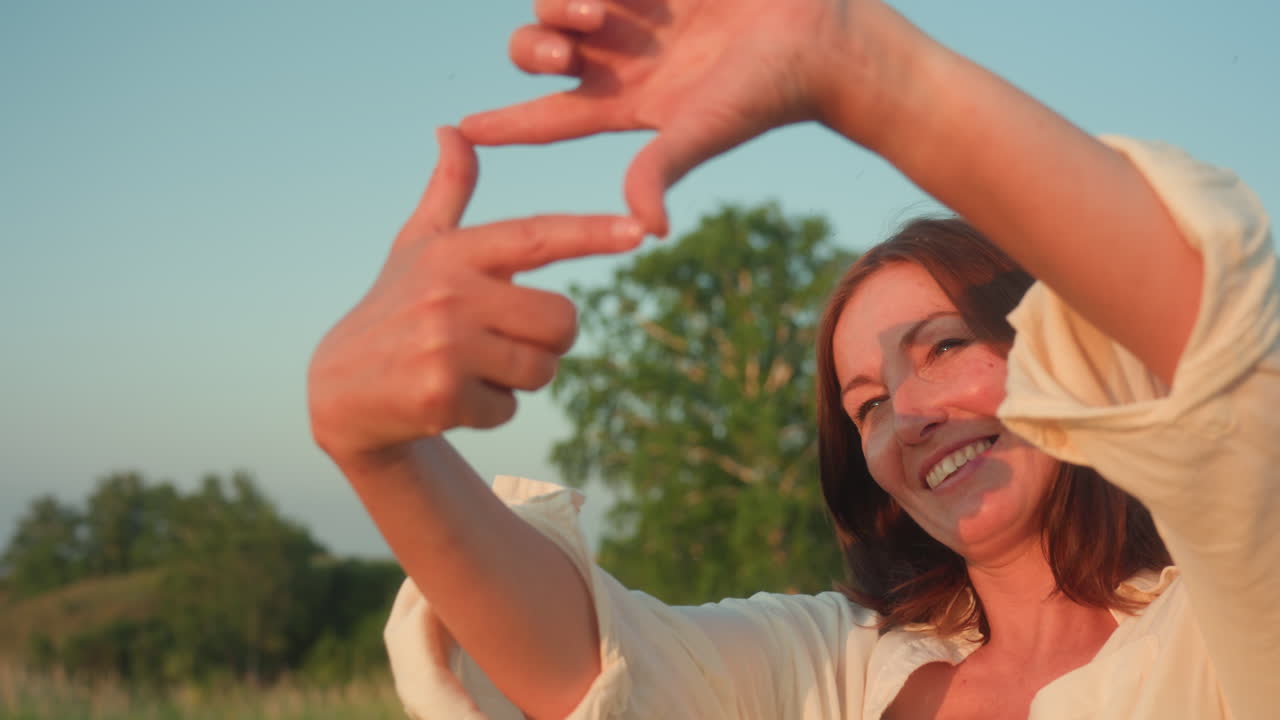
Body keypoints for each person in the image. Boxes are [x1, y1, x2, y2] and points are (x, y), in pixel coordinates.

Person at [305, 1, 1280, 718]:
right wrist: (376, 448)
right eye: (863, 404)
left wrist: (849, 59)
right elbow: (593, 669)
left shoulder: (1217, 626)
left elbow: (1226, 362)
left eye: (940, 347)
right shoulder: (829, 668)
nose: (907, 411)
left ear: (1066, 352)